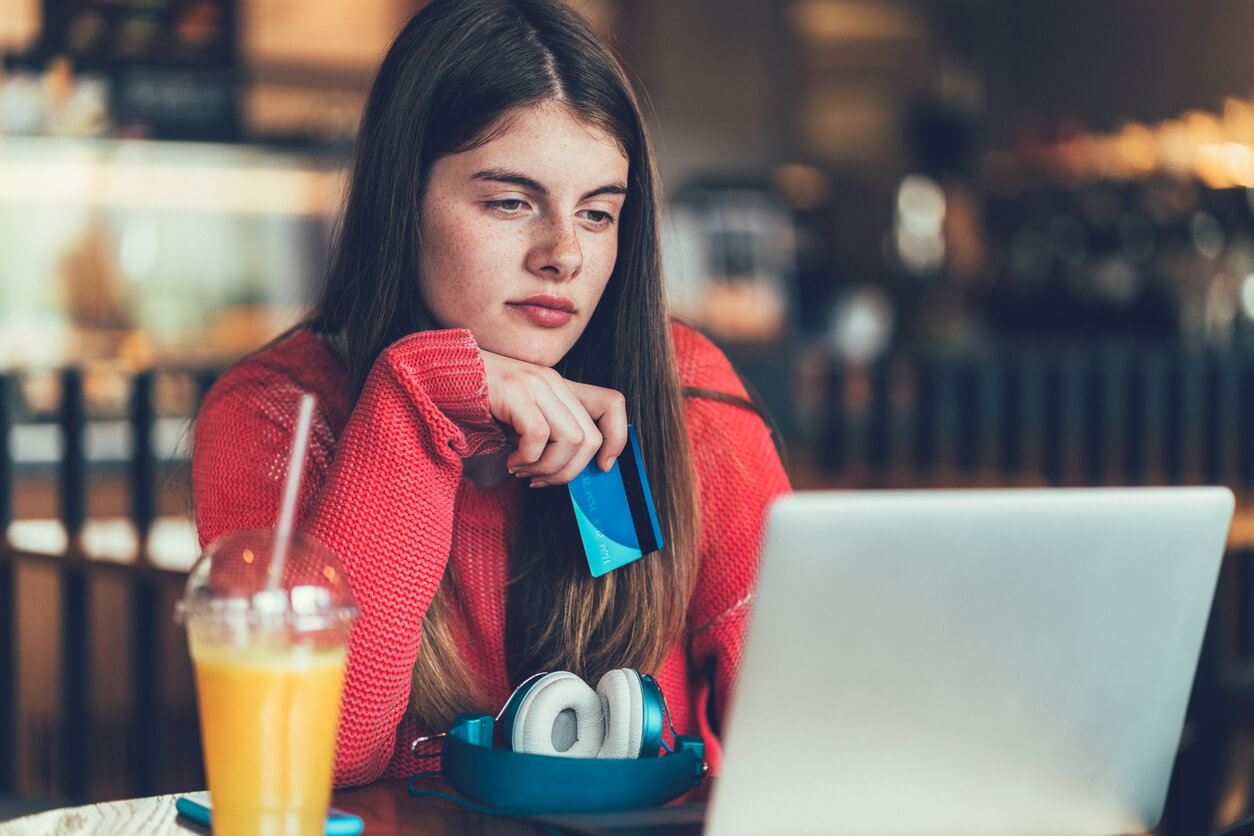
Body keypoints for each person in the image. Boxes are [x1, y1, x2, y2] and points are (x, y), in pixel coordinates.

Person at [192, 0, 790, 788]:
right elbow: (313, 757)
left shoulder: (685, 394)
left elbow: (815, 724)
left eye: (599, 212)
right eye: (510, 202)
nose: (564, 255)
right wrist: (416, 401)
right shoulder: (277, 416)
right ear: (402, 201)